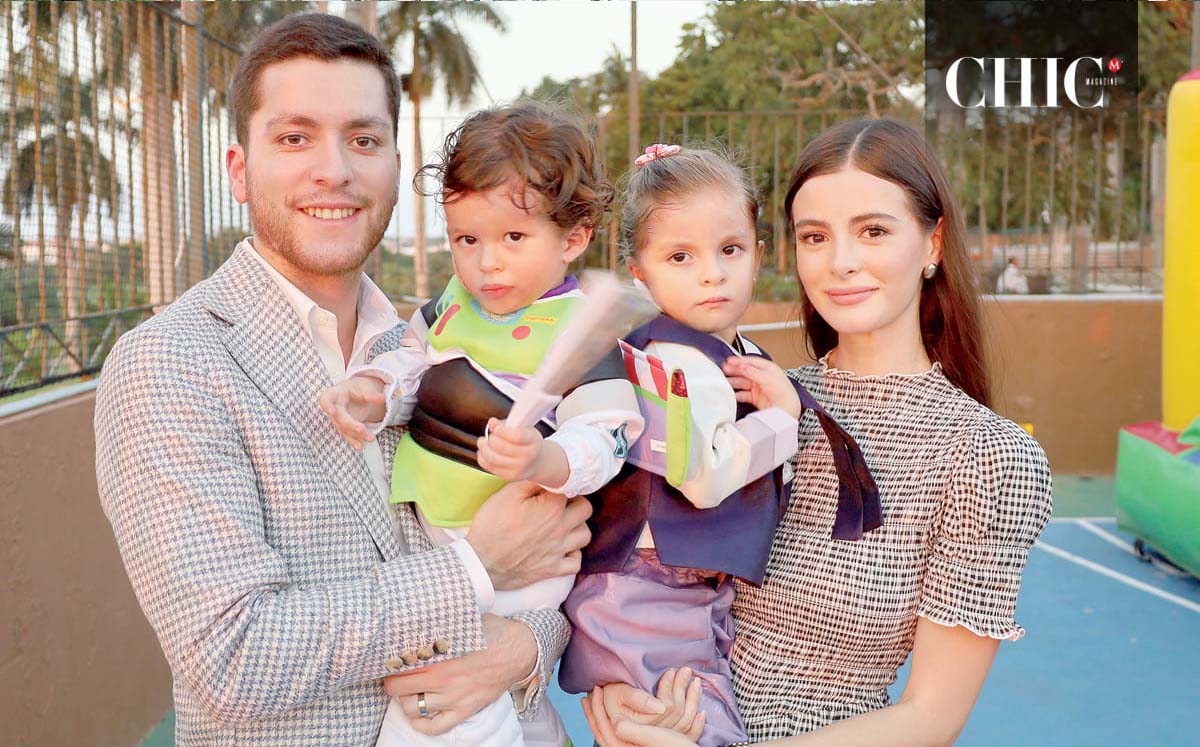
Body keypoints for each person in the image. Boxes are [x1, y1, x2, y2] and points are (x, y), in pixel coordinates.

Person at [94, 15, 589, 747]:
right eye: (295, 138)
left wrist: (524, 645)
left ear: (394, 164)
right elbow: (234, 656)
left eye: (363, 139)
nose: (335, 170)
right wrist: (474, 566)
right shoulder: (169, 362)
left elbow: (554, 553)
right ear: (239, 168)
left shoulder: (426, 345)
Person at [583, 118, 1053, 747]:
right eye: (815, 236)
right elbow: (613, 553)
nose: (841, 262)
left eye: (874, 231)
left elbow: (931, 718)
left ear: (932, 244)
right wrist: (615, 682)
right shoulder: (748, 389)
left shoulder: (990, 456)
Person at [318, 102, 645, 747]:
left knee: (451, 707)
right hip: (444, 542)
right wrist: (375, 393)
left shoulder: (583, 332)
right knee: (472, 701)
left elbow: (609, 432)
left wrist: (546, 462)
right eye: (468, 240)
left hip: (531, 550)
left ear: (572, 238)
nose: (487, 262)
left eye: (513, 239)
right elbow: (416, 369)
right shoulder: (448, 308)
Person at [559, 145, 878, 747]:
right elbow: (704, 477)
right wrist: (782, 418)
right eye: (681, 256)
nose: (712, 273)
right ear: (639, 269)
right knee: (699, 727)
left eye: (729, 249)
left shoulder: (741, 357)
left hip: (687, 587)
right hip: (644, 585)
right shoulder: (673, 364)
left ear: (759, 255)